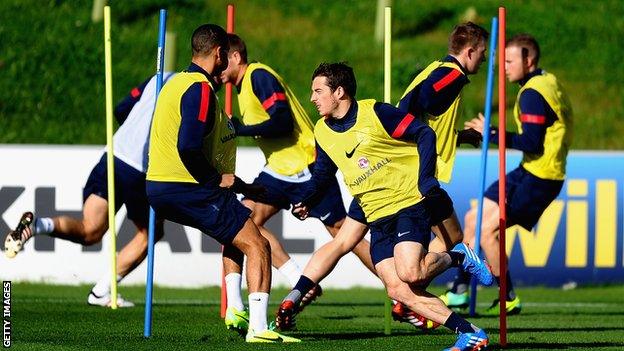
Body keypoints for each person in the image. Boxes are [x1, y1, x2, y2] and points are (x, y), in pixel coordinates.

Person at [276, 22, 490, 332]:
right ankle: (464, 329)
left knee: (413, 269)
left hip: (406, 192)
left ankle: (455, 261)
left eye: (317, 91)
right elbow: (324, 172)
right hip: (373, 199)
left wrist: (426, 175)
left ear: (339, 91)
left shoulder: (377, 111)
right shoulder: (322, 130)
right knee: (396, 282)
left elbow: (421, 118)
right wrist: (307, 200)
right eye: (482, 54)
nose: (311, 98)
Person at [144, 24, 297, 343]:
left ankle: (236, 309)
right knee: (258, 245)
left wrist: (243, 188)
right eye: (225, 55)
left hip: (158, 186)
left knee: (238, 233)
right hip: (188, 186)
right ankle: (258, 328)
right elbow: (188, 146)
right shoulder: (199, 88)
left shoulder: (173, 83)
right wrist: (212, 181)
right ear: (218, 53)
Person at [218, 33, 376, 328]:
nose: (218, 64)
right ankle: (244, 305)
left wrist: (240, 129)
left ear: (236, 57)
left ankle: (401, 293)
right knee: (238, 223)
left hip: (306, 166)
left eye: (222, 58)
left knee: (345, 235)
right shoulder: (243, 87)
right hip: (279, 170)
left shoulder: (259, 76)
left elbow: (281, 121)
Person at [3, 72, 175, 307]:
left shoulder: (162, 75)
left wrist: (134, 132)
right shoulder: (198, 89)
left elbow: (122, 109)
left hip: (113, 156)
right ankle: (102, 291)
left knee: (90, 230)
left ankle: (37, 226)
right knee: (150, 232)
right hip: (140, 168)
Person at [443, 33, 573, 315]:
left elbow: (531, 142)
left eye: (510, 61)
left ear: (529, 60)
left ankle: (508, 296)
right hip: (529, 169)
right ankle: (460, 290)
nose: (504, 67)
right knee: (472, 219)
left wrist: (491, 133)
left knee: (488, 230)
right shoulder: (546, 81)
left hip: (541, 177)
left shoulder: (533, 95)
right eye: (502, 61)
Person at [394, 21, 489, 321]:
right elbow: (421, 103)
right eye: (483, 53)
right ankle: (413, 293)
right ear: (470, 51)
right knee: (453, 238)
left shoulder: (439, 68)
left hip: (406, 164)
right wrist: (415, 141)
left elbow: (425, 115)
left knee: (350, 236)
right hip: (417, 171)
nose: (485, 59)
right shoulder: (453, 75)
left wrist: (461, 136)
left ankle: (408, 298)